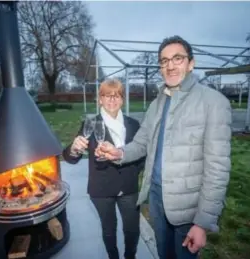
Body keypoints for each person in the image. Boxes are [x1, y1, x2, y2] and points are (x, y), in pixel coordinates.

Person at [95, 35, 232, 259]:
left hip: (188, 208)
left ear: (191, 63)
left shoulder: (214, 103)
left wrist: (202, 222)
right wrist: (118, 152)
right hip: (157, 200)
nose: (170, 65)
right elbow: (141, 142)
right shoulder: (158, 102)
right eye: (164, 61)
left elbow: (218, 168)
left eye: (177, 58)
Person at [62, 79, 145, 259]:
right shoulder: (90, 124)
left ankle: (130, 256)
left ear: (122, 99)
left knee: (132, 230)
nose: (112, 100)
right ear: (100, 99)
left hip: (129, 188)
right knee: (109, 230)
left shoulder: (133, 124)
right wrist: (75, 149)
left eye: (117, 96)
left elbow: (141, 154)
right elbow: (70, 157)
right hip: (101, 189)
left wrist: (132, 171)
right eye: (107, 96)